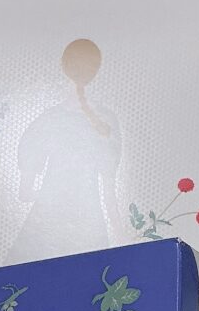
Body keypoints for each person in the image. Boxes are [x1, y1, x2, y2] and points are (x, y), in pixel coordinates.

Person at [7, 38, 122, 264]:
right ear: (96, 69)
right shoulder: (107, 121)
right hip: (89, 222)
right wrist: (123, 236)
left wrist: (47, 195)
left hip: (46, 220)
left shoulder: (48, 120)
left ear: (64, 65)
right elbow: (109, 195)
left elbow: (24, 193)